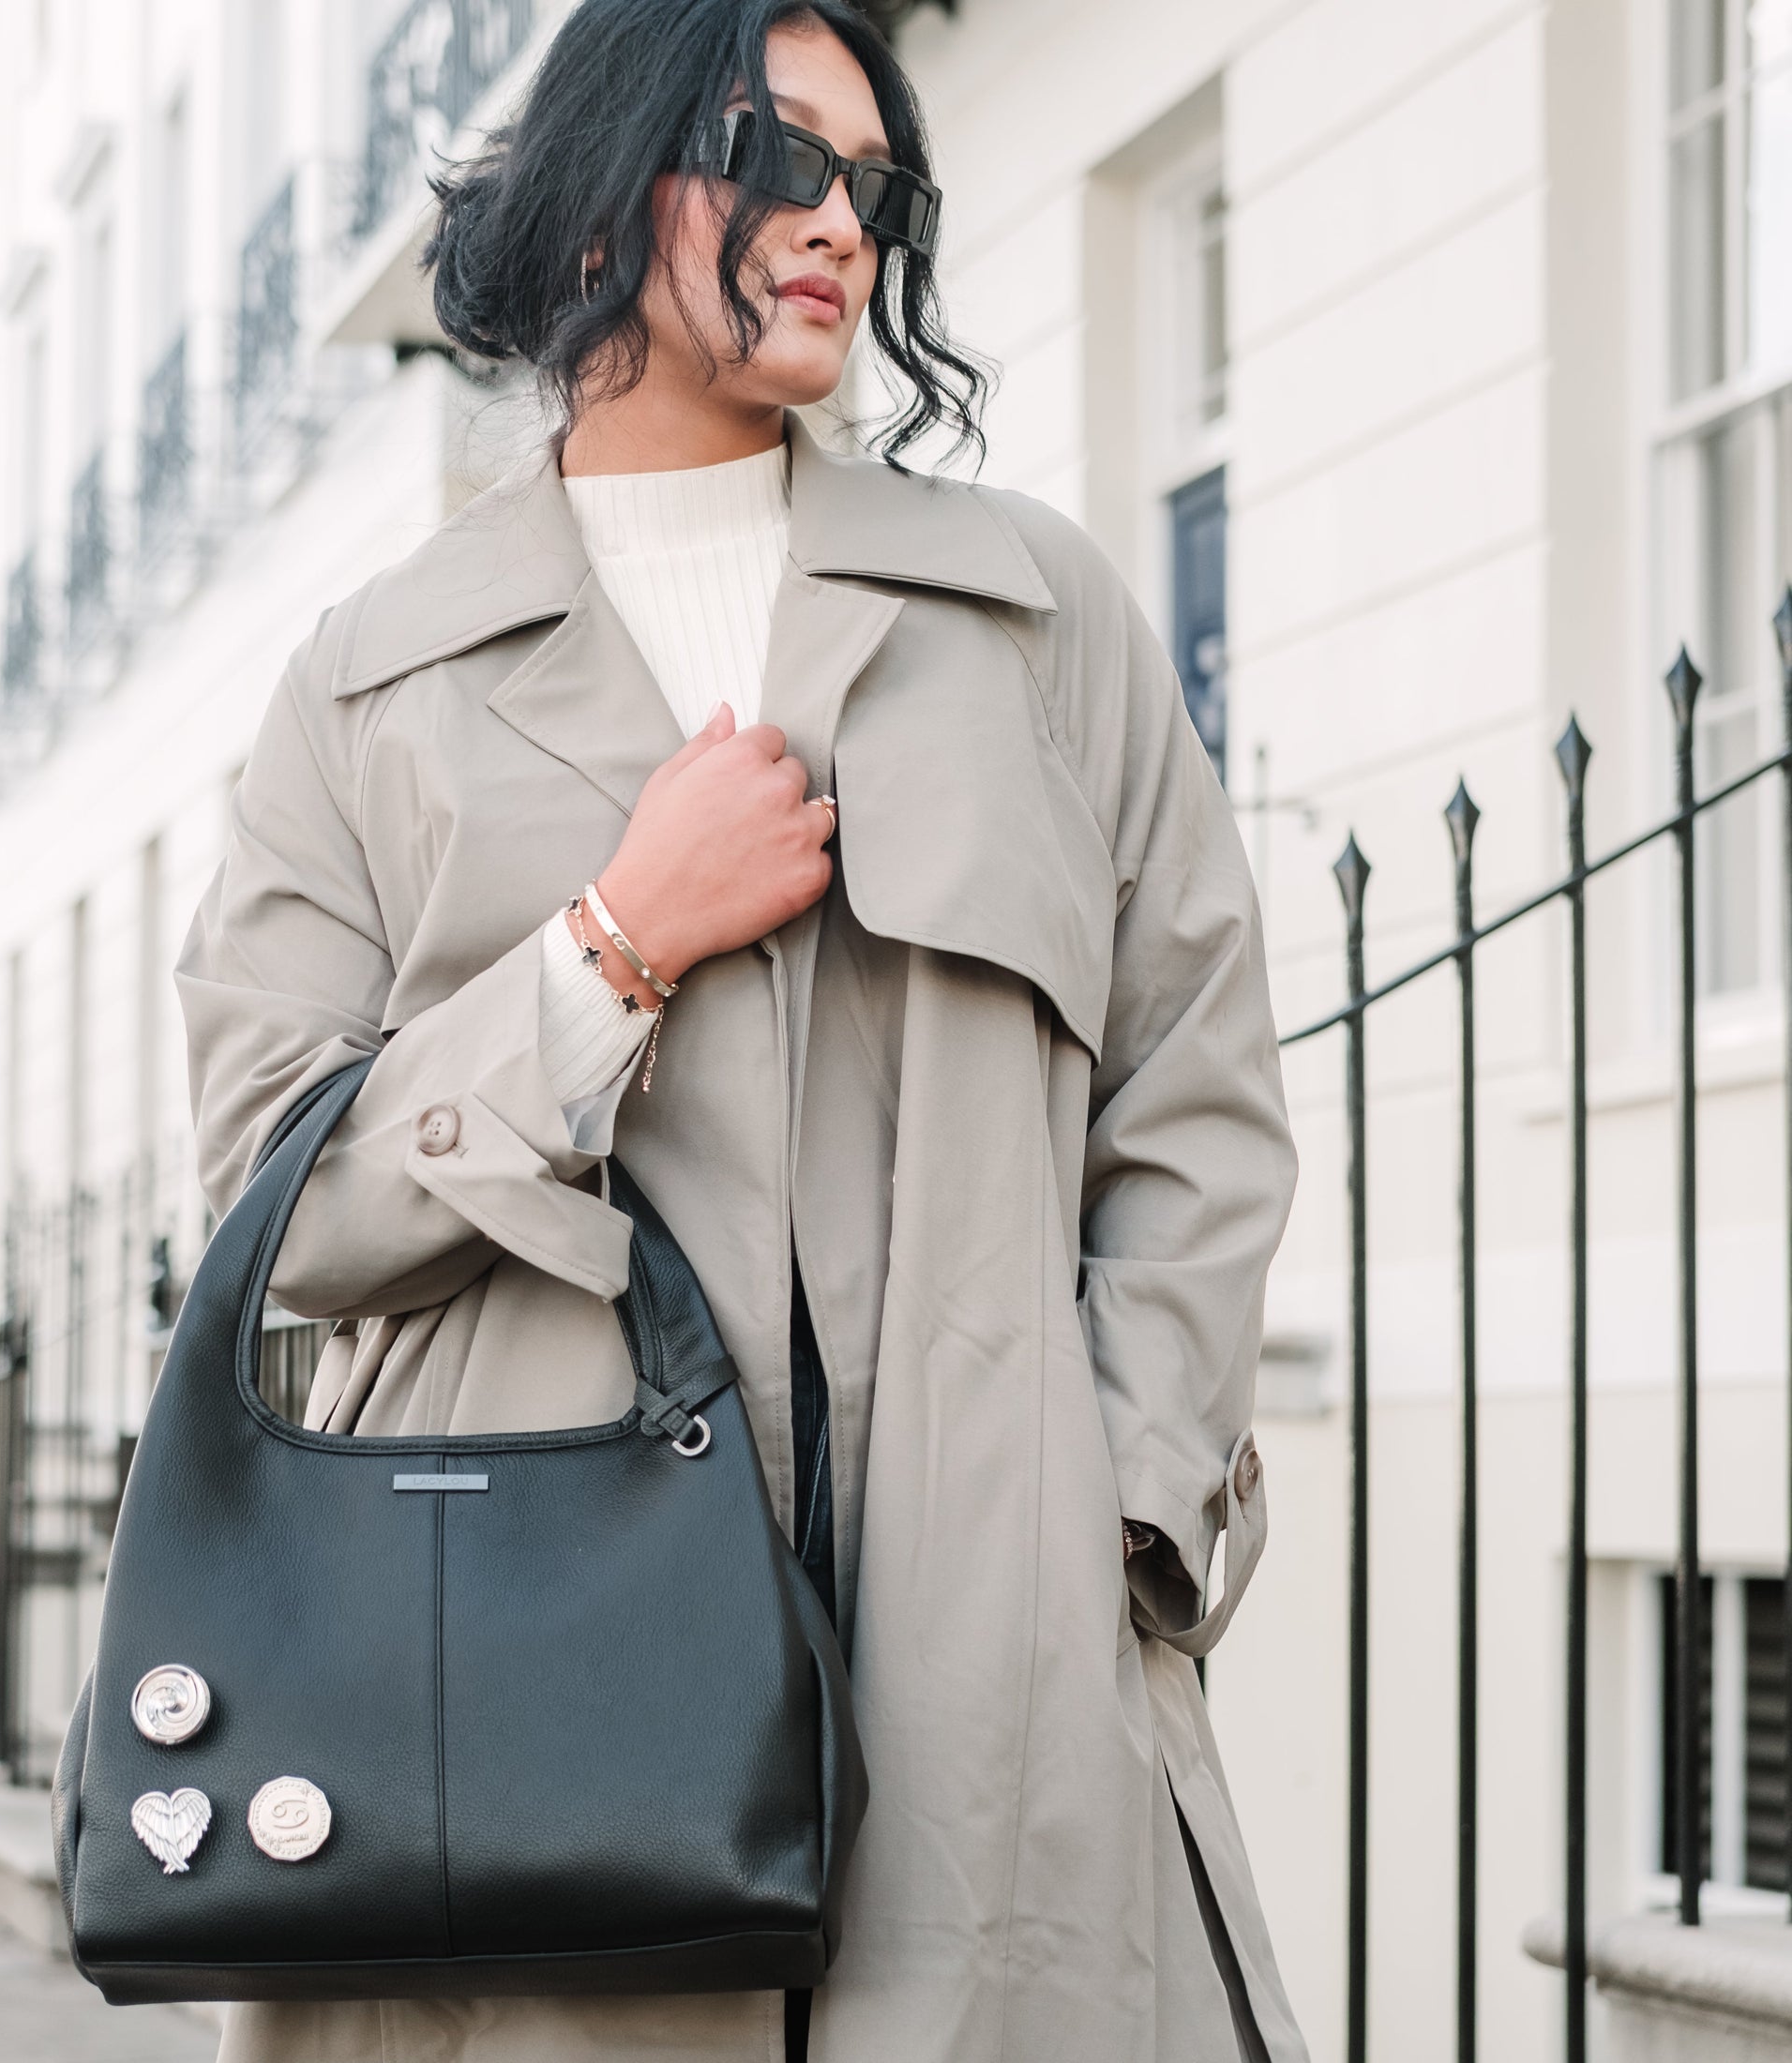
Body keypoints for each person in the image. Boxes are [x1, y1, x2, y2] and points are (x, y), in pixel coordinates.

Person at [177, 1, 1303, 2057]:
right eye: (777, 152)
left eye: (872, 179)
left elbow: (1195, 1101)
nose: (840, 224)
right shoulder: (367, 686)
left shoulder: (1032, 621)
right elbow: (282, 1208)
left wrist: (1114, 1523)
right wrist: (605, 946)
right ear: (607, 181)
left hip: (990, 1696)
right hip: (514, 1700)